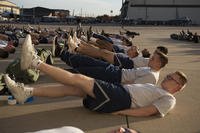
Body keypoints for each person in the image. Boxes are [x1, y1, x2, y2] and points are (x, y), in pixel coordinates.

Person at [4, 35, 187, 117]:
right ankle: (26, 92)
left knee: (79, 79)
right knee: (73, 88)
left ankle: (35, 63)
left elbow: (149, 111)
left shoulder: (168, 98)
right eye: (169, 75)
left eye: (171, 78)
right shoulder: (157, 87)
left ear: (178, 87)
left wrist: (121, 112)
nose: (167, 77)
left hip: (120, 97)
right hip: (118, 93)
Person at [60, 49, 168, 84]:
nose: (150, 59)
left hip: (115, 76)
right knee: (88, 61)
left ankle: (58, 72)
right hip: (116, 70)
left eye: (153, 59)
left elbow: (132, 87)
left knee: (85, 71)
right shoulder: (150, 69)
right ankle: (64, 54)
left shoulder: (152, 76)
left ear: (159, 64)